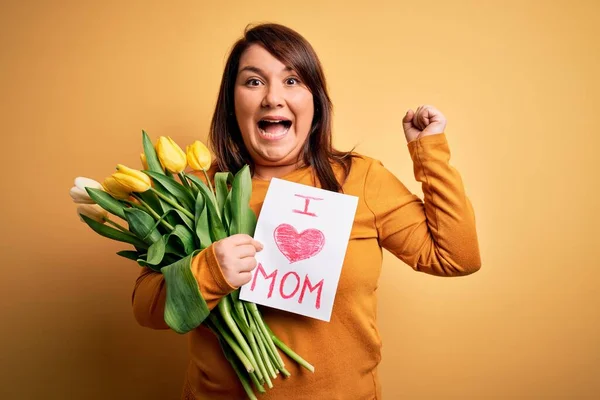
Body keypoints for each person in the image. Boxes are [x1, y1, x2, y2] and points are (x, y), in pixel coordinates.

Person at [132, 23, 481, 400]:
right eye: (253, 82)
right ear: (232, 105)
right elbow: (146, 308)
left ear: (316, 103)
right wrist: (210, 271)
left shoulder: (360, 178)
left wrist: (430, 153)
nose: (272, 98)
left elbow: (456, 257)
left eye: (293, 80)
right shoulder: (199, 190)